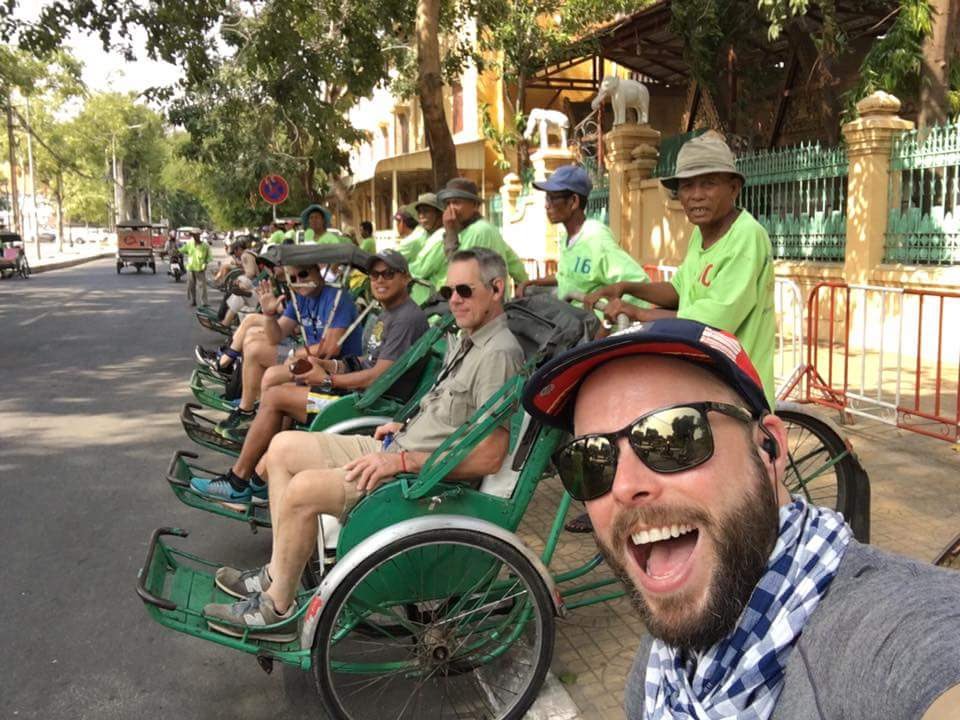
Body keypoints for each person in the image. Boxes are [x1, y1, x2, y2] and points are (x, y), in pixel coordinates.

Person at [522, 318, 960, 720]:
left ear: (769, 446)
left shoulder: (887, 633)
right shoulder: (663, 666)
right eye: (591, 460)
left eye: (672, 437)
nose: (623, 486)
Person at [202, 247, 525, 640]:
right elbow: (449, 411)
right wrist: (403, 423)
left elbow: (490, 455)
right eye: (448, 290)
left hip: (422, 480)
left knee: (302, 490)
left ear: (496, 289)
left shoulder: (499, 353)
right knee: (283, 447)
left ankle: (279, 610)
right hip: (398, 449)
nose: (454, 299)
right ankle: (275, 575)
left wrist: (403, 461)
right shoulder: (470, 339)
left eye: (464, 290)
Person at [191, 250, 430, 501]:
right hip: (358, 394)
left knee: (275, 397)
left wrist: (327, 379)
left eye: (388, 274)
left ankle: (238, 482)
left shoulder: (405, 319)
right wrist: (331, 366)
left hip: (368, 405)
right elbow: (368, 361)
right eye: (374, 275)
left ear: (405, 278)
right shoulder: (390, 312)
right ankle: (262, 474)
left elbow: (378, 376)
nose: (380, 280)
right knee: (278, 388)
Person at [584, 131, 776, 409]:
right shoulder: (701, 234)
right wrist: (625, 287)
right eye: (687, 186)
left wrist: (638, 313)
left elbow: (714, 321)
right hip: (706, 373)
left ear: (733, 188)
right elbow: (679, 290)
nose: (696, 196)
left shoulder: (746, 236)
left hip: (740, 385)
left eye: (708, 184)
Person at [213, 262, 364, 437]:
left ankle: (268, 431)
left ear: (318, 273)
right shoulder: (299, 298)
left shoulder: (337, 298)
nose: (299, 280)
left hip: (335, 365)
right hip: (309, 359)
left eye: (304, 274)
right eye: (293, 278)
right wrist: (269, 314)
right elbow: (276, 336)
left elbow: (330, 349)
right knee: (254, 348)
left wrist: (295, 353)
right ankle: (249, 414)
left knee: (273, 375)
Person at [519, 164, 651, 305]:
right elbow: (566, 276)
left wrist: (611, 321)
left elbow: (638, 281)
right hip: (570, 319)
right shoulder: (567, 240)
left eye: (552, 198)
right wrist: (532, 282)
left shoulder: (596, 239)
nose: (547, 205)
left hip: (590, 324)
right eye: (547, 198)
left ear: (574, 201)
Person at [409, 177, 528, 292]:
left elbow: (458, 272)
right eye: (448, 204)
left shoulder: (478, 230)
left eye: (456, 202)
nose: (451, 209)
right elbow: (516, 266)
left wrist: (450, 233)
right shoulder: (477, 229)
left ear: (475, 205)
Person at [396, 194, 441, 263]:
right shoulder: (422, 234)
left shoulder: (440, 235)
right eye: (419, 212)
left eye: (426, 211)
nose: (421, 215)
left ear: (438, 214)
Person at [182, 231, 212, 307]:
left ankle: (204, 302)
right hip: (190, 267)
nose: (195, 237)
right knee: (191, 285)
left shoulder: (205, 245)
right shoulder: (189, 244)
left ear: (199, 235)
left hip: (200, 268)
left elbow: (209, 257)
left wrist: (205, 264)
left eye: (196, 235)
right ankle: (193, 300)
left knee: (202, 286)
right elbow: (182, 250)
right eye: (193, 235)